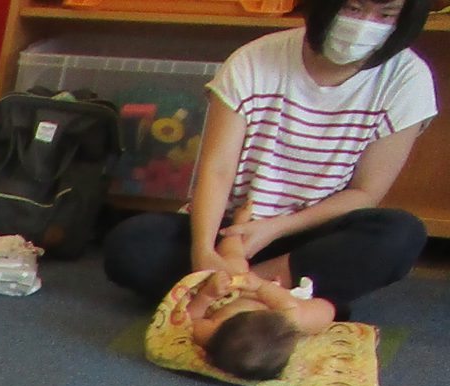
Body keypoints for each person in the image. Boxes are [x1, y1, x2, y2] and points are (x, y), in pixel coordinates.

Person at [101, 0, 436, 314]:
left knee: (401, 235)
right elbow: (218, 169)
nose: (365, 25)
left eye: (386, 15)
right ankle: (287, 299)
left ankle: (230, 292)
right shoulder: (254, 59)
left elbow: (365, 192)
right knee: (131, 243)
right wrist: (202, 251)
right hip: (229, 229)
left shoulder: (407, 78)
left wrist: (277, 228)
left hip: (313, 234)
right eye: (353, 8)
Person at [173, 267, 339, 382]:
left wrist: (206, 295)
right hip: (284, 298)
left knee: (234, 261)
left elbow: (190, 319)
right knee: (325, 310)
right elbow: (288, 305)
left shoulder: (212, 330)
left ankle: (235, 237)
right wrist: (260, 286)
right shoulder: (287, 319)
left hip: (253, 294)